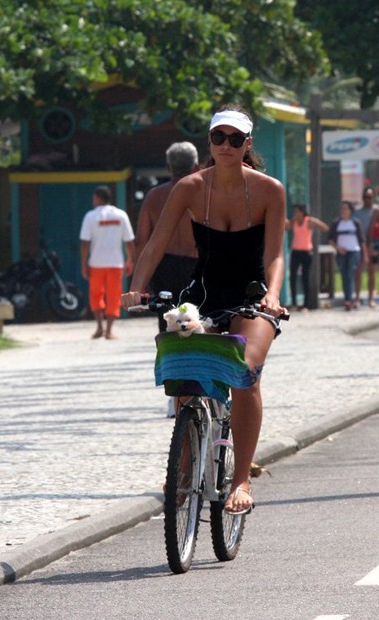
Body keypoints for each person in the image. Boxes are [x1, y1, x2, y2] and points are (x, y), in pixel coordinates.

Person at [121, 106, 287, 515]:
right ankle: (185, 463)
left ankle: (242, 478)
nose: (226, 145)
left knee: (244, 373)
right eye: (219, 138)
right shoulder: (191, 187)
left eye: (235, 139)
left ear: (247, 144)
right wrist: (136, 288)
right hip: (204, 290)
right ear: (208, 144)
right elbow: (156, 242)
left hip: (252, 294)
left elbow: (275, 255)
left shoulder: (270, 190)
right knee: (184, 366)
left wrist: (273, 295)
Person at [135, 142, 199, 332]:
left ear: (168, 167)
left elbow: (141, 240)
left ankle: (169, 358)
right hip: (196, 265)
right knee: (197, 320)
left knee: (168, 321)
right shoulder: (201, 195)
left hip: (163, 267)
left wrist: (141, 280)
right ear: (195, 167)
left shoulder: (154, 196)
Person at [80, 185, 135, 340]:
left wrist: (83, 263)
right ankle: (109, 331)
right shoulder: (121, 215)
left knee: (96, 295)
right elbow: (129, 241)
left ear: (97, 198)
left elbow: (85, 243)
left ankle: (99, 327)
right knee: (114, 296)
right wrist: (130, 260)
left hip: (96, 263)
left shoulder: (90, 216)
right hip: (116, 264)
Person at [285, 203, 329, 311]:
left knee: (305, 278)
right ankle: (294, 302)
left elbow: (325, 228)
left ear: (302, 212)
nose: (295, 213)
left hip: (306, 252)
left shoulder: (308, 221)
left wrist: (315, 221)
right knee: (292, 277)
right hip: (295, 251)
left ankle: (306, 305)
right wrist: (289, 220)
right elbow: (286, 227)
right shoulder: (294, 222)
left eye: (297, 211)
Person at [328, 200, 368, 311]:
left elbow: (362, 240)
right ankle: (347, 297)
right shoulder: (336, 223)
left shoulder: (356, 223)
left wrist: (365, 255)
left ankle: (349, 300)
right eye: (342, 209)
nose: (344, 211)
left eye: (346, 209)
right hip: (341, 253)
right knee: (344, 275)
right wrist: (338, 248)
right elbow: (330, 240)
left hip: (353, 251)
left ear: (350, 210)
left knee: (350, 274)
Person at [353, 187, 379, 307]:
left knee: (372, 272)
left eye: (369, 197)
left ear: (374, 198)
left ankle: (371, 298)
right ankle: (357, 298)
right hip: (360, 245)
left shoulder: (378, 211)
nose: (367, 200)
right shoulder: (357, 212)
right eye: (365, 197)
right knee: (358, 272)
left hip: (374, 245)